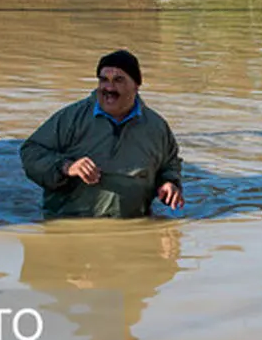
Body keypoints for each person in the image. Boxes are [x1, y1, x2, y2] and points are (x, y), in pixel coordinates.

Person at [20, 50, 184, 219]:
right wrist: (66, 167)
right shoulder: (72, 118)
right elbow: (30, 152)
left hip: (130, 227)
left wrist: (169, 183)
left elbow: (170, 164)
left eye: (118, 80)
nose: (109, 88)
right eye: (103, 80)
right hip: (69, 226)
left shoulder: (156, 127)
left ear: (136, 84)